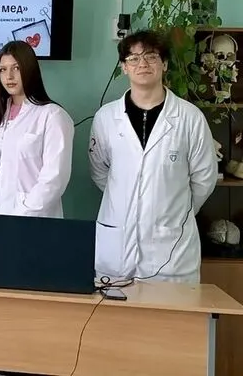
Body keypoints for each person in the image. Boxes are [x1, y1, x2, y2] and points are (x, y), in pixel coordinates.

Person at [89, 30, 219, 283]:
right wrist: (131, 198)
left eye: (151, 56)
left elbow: (204, 179)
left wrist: (169, 210)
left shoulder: (189, 118)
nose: (143, 64)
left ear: (164, 64)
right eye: (134, 58)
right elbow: (99, 171)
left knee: (171, 309)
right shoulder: (106, 118)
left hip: (172, 252)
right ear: (124, 67)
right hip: (116, 250)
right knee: (115, 307)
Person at [0, 40, 74, 269]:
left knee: (30, 285)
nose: (9, 76)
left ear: (30, 69)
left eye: (16, 68)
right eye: (3, 69)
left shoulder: (52, 116)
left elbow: (54, 179)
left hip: (32, 226)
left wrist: (16, 221)